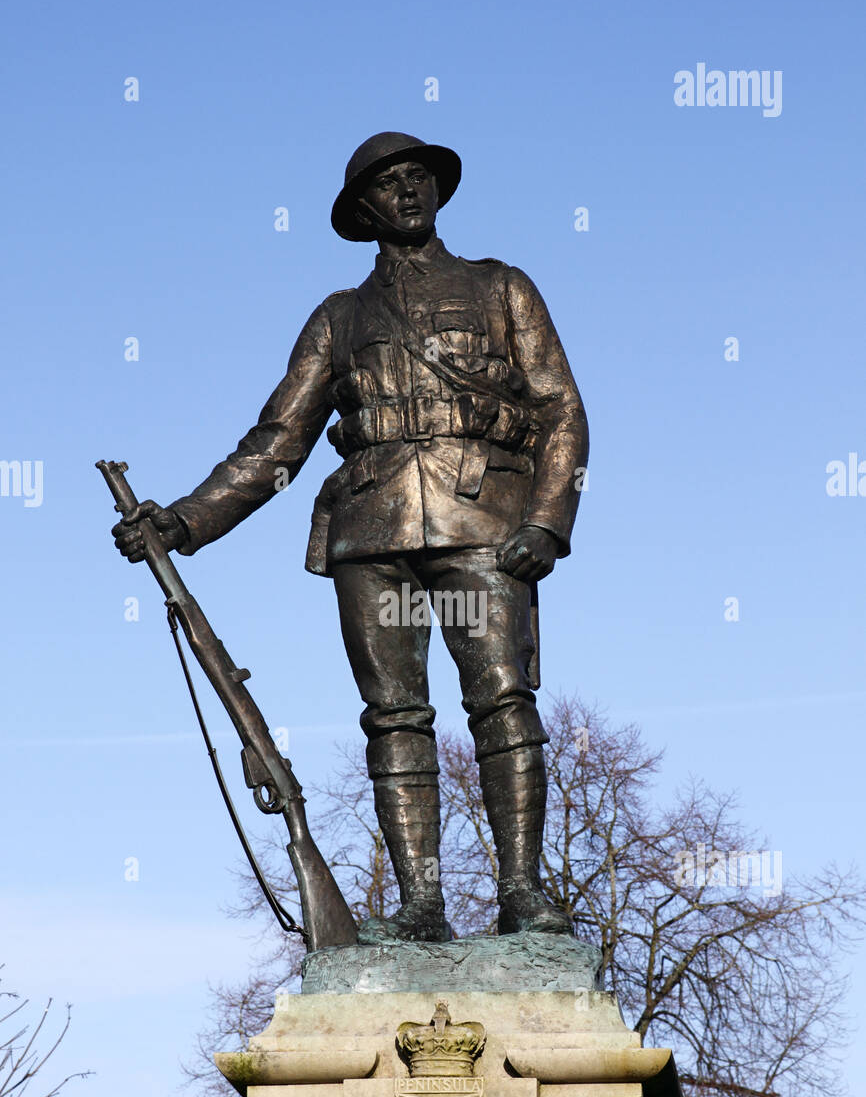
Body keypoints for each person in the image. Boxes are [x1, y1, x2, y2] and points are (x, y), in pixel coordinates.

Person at [113, 132, 589, 945]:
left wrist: (548, 519)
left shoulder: (503, 287)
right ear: (362, 211)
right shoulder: (339, 318)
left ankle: (522, 893)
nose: (408, 192)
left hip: (484, 520)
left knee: (503, 700)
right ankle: (421, 904)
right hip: (371, 531)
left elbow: (561, 412)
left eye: (419, 179)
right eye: (389, 184)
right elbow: (277, 442)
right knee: (394, 715)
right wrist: (186, 519)